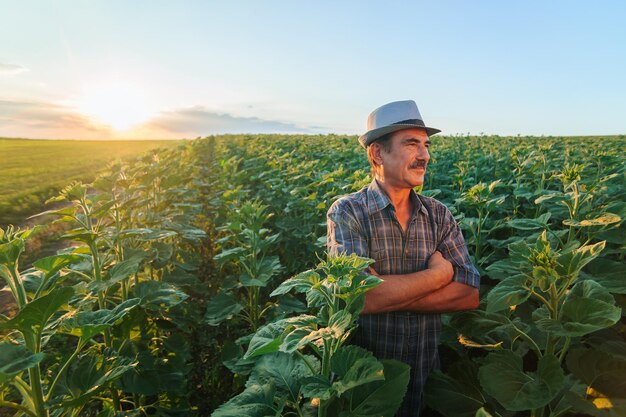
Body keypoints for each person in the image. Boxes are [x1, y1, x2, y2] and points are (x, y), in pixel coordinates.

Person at [326, 100, 480, 417]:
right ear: (377, 153)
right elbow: (363, 297)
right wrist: (438, 277)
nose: (425, 155)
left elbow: (468, 293)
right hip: (365, 391)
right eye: (411, 144)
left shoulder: (438, 214)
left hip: (426, 379)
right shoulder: (348, 211)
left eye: (425, 145)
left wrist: (389, 294)